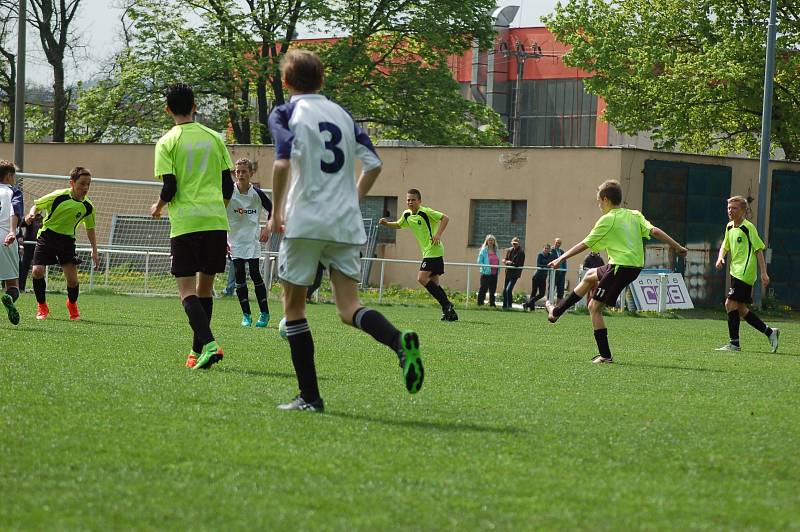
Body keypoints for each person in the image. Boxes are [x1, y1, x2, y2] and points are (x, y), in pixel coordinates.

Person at [268, 49, 424, 412]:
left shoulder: (286, 112)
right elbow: (374, 165)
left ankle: (310, 397)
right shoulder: (342, 114)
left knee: (294, 308)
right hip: (344, 223)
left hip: (305, 221)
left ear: (287, 82)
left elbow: (281, 164)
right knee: (348, 306)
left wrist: (275, 213)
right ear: (322, 81)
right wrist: (351, 200)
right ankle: (400, 343)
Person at [544, 179, 687, 363]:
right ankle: (556, 312)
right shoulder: (634, 215)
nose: (598, 205)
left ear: (605, 199)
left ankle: (605, 356)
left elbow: (585, 244)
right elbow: (655, 231)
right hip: (630, 266)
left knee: (594, 308)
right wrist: (677, 247)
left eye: (598, 201)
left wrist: (561, 258)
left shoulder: (607, 219)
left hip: (621, 266)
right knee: (589, 276)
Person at [150, 83, 234, 370]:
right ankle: (196, 353)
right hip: (215, 221)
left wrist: (158, 207)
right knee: (205, 290)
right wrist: (215, 213)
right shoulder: (215, 138)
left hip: (186, 223)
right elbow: (228, 185)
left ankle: (210, 345)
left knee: (186, 291)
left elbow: (170, 186)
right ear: (195, 106)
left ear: (168, 110)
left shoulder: (167, 141)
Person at [26, 167, 101, 321]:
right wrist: (32, 213)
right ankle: (42, 307)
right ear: (72, 183)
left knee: (72, 281)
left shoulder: (88, 207)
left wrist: (94, 250)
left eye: (88, 184)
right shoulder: (58, 196)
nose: (86, 188)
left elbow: (90, 228)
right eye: (82, 184)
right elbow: (37, 205)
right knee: (37, 271)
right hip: (47, 236)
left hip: (67, 241)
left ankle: (72, 304)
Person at [380, 189, 458, 321]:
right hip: (427, 252)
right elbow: (399, 224)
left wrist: (438, 234)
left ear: (419, 201)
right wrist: (387, 224)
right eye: (408, 200)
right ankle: (449, 312)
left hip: (434, 250)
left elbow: (445, 218)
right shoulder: (407, 214)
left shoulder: (425, 212)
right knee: (434, 284)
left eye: (413, 199)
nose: (410, 202)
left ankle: (447, 305)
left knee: (421, 278)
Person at [714, 195, 779, 353]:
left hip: (745, 273)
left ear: (743, 210)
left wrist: (764, 273)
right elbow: (725, 244)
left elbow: (758, 250)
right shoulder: (730, 226)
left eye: (734, 208)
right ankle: (770, 332)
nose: (730, 211)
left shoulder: (748, 227)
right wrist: (720, 257)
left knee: (729, 304)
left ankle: (734, 344)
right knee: (741, 308)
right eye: (729, 208)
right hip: (735, 271)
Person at [227, 157, 272, 328]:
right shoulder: (229, 192)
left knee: (254, 274)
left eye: (244, 171)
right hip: (234, 241)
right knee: (239, 274)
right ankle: (246, 315)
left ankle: (264, 313)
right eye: (237, 171)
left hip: (252, 241)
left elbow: (273, 210)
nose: (240, 174)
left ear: (251, 173)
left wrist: (267, 229)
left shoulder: (257, 194)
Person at [0, 160, 22, 324]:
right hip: (5, 236)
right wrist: (13, 231)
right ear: (8, 176)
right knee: (12, 283)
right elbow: (14, 210)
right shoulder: (13, 192)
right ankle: (9, 297)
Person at [523, 242, 552, 311]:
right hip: (537, 276)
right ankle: (531, 308)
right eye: (545, 248)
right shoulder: (540, 255)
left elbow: (552, 263)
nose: (546, 250)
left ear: (549, 249)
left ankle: (527, 304)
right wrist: (547, 266)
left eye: (547, 248)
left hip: (543, 277)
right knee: (534, 292)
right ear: (543, 249)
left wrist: (548, 266)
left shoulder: (550, 255)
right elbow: (539, 265)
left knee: (542, 294)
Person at [17, 212, 42, 292]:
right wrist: (28, 218)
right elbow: (21, 224)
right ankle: (21, 288)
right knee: (24, 267)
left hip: (39, 246)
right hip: (28, 246)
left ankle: (38, 289)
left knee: (38, 268)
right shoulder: (30, 217)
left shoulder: (43, 219)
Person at [476, 234, 500, 307]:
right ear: (487, 241)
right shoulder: (484, 250)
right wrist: (485, 267)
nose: (491, 241)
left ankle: (492, 304)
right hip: (486, 273)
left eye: (492, 240)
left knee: (493, 289)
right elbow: (479, 261)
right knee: (483, 288)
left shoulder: (496, 250)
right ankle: (480, 303)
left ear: (494, 241)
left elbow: (498, 260)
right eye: (489, 240)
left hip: (494, 273)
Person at [501, 237, 525, 309]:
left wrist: (508, 262)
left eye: (516, 243)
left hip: (515, 274)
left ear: (518, 243)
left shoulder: (521, 252)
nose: (514, 245)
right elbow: (506, 259)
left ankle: (509, 306)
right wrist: (505, 260)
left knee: (508, 289)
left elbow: (517, 264)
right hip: (508, 272)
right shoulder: (509, 250)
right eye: (513, 243)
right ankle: (505, 306)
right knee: (505, 290)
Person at [552, 237, 567, 304]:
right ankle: (550, 304)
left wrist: (564, 270)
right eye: (557, 242)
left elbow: (564, 261)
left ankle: (557, 305)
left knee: (560, 290)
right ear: (554, 242)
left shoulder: (562, 251)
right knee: (552, 289)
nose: (558, 244)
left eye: (559, 243)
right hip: (554, 273)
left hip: (561, 273)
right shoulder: (551, 251)